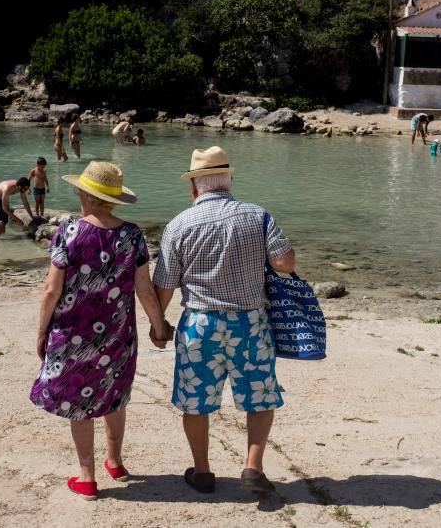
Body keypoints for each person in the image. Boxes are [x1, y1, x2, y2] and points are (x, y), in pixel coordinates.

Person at [152, 146, 295, 496]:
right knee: (259, 396)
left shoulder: (178, 225)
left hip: (200, 325)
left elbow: (165, 285)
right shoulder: (257, 216)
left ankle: (202, 472)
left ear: (195, 187)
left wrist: (159, 327)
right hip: (250, 323)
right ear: (229, 181)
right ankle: (253, 467)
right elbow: (285, 264)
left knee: (196, 402)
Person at [30, 161, 172, 501]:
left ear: (85, 195)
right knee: (114, 395)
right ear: (113, 200)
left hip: (72, 333)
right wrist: (159, 327)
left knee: (80, 403)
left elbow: (52, 290)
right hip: (117, 334)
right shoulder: (132, 235)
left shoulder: (69, 232)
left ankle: (87, 476)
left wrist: (41, 330)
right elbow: (144, 289)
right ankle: (116, 462)